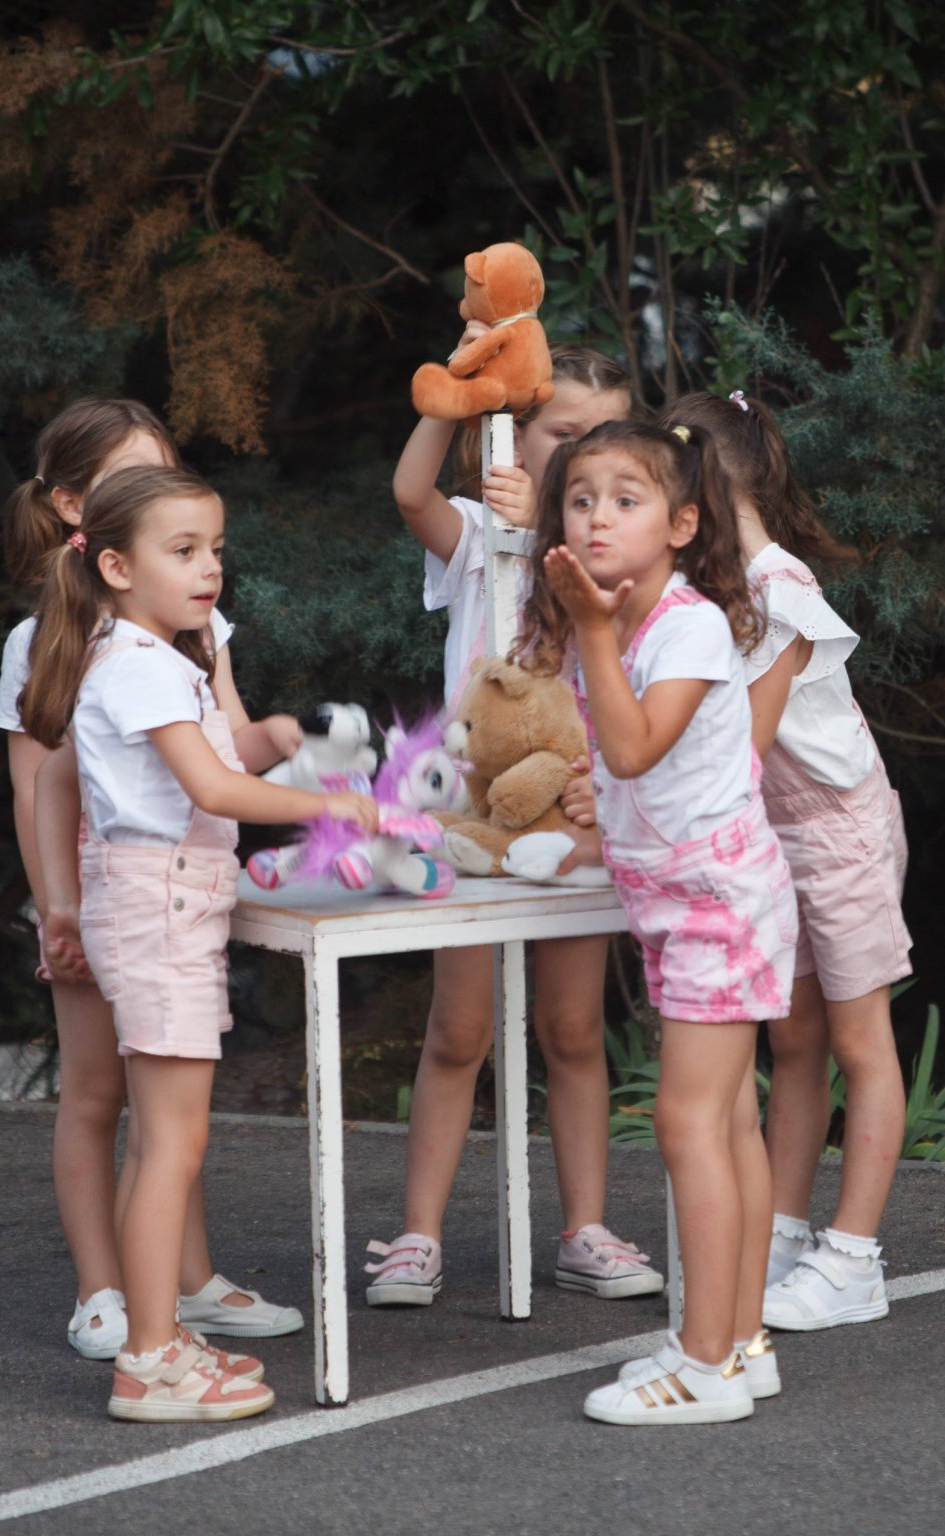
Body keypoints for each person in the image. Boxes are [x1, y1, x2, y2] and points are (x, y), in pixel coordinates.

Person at [25, 464, 377, 1420]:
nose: (210, 568)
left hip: (156, 898)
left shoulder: (143, 656)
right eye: (183, 551)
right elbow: (214, 790)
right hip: (162, 903)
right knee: (170, 1146)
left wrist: (280, 740)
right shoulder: (142, 665)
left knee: (161, 1143)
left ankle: (159, 1340)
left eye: (216, 549)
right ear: (114, 566)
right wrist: (340, 810)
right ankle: (150, 1362)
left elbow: (205, 763)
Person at [0, 399, 305, 1360]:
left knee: (171, 1102)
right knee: (100, 1094)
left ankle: (185, 1283)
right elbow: (38, 785)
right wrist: (59, 907)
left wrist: (280, 741)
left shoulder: (196, 624)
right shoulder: (48, 639)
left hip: (175, 886)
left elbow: (226, 749)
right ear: (73, 508)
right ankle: (107, 1294)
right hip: (104, 891)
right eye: (132, 478)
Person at [365, 342, 663, 1309]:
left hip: (568, 814)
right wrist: (457, 398)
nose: (581, 452)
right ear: (513, 438)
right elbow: (409, 493)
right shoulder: (478, 532)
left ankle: (584, 1229)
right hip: (470, 817)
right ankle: (418, 1235)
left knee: (573, 1028)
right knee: (459, 1030)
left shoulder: (614, 551)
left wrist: (599, 789)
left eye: (605, 435)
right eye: (562, 432)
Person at [522, 418, 798, 1424]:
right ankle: (742, 1344)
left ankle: (706, 1362)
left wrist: (589, 633)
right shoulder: (617, 625)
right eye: (580, 499)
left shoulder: (686, 625)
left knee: (688, 1124)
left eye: (625, 500)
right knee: (724, 1124)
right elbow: (627, 767)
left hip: (716, 903)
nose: (596, 518)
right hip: (689, 900)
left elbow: (636, 749)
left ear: (682, 524)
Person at [659, 390, 912, 1330]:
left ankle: (853, 1259)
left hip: (839, 833)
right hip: (773, 832)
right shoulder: (719, 590)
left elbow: (741, 748)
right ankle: (783, 1233)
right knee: (794, 1041)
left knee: (860, 1042)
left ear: (705, 493)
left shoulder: (780, 593)